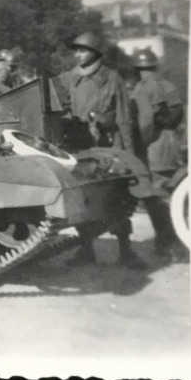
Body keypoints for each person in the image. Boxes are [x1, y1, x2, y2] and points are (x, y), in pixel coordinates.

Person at [57, 31, 143, 268]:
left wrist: (129, 154)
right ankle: (86, 250)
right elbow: (60, 106)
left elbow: (125, 117)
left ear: (95, 52)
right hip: (80, 145)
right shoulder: (70, 78)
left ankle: (126, 251)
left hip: (107, 144)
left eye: (82, 50)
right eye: (75, 50)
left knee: (117, 199)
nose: (77, 55)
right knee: (82, 198)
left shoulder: (111, 78)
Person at [130, 48, 188, 260]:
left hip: (153, 146)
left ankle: (169, 244)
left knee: (155, 195)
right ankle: (176, 240)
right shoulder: (169, 86)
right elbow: (179, 117)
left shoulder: (143, 89)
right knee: (171, 191)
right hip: (171, 143)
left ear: (137, 68)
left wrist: (138, 146)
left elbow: (144, 124)